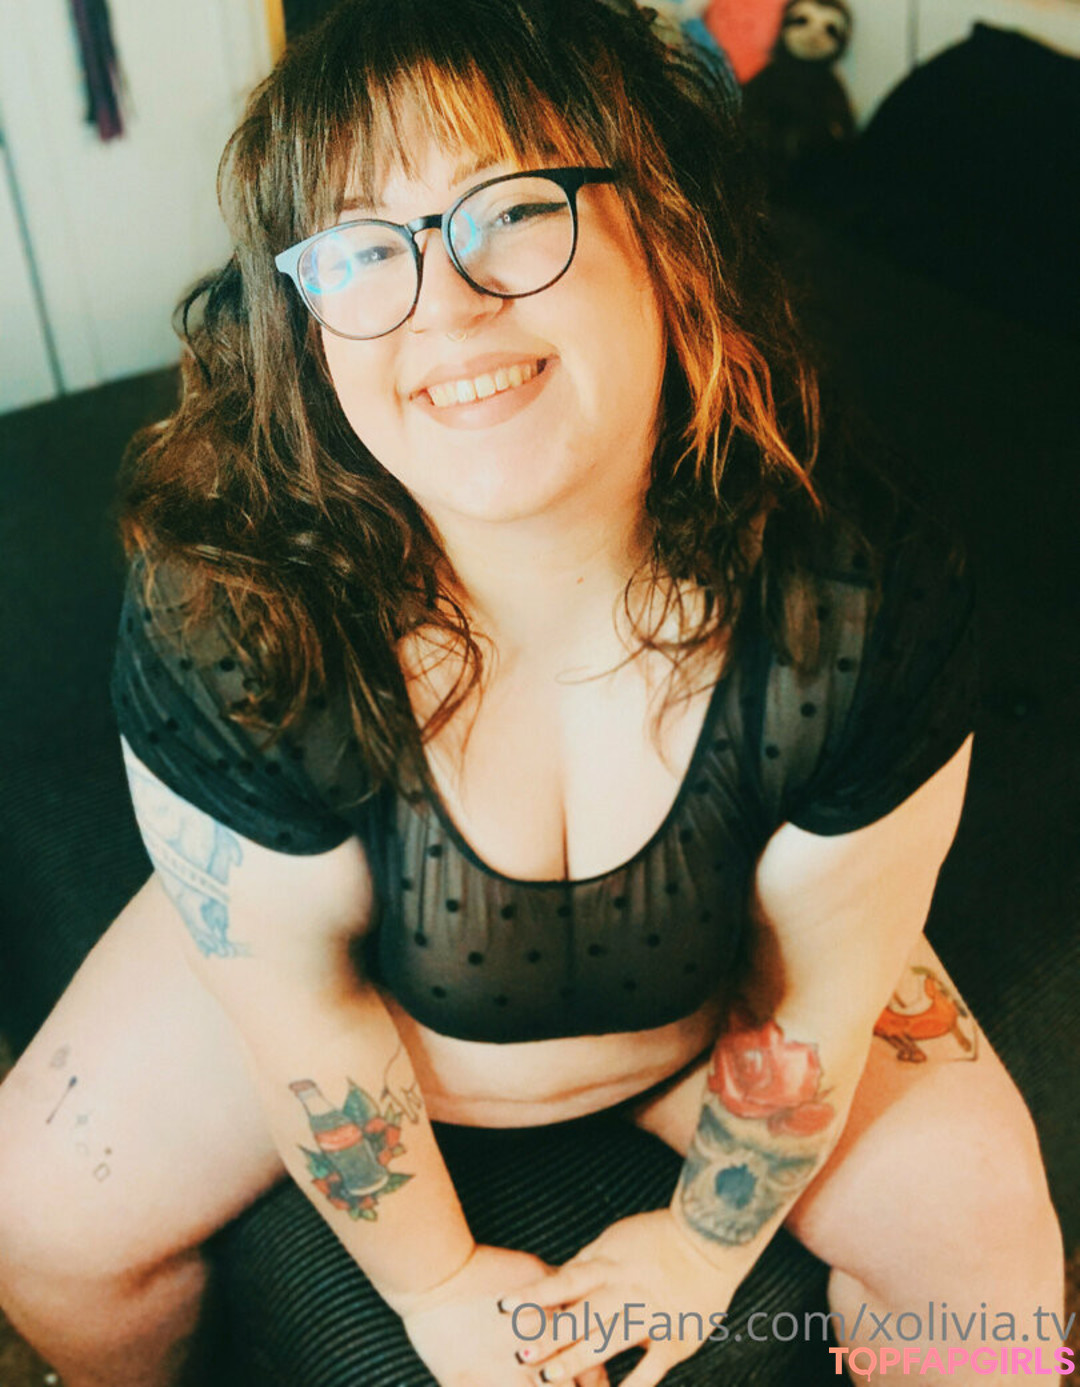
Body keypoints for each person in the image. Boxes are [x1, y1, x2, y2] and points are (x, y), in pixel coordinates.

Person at [0, 1, 1065, 1385]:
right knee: (43, 1221)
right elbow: (308, 1027)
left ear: (668, 231)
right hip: (381, 1013)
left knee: (990, 1265)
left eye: (508, 210)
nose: (443, 305)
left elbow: (814, 1003)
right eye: (361, 249)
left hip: (717, 1010)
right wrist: (436, 1286)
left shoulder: (858, 597)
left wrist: (702, 1252)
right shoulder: (234, 617)